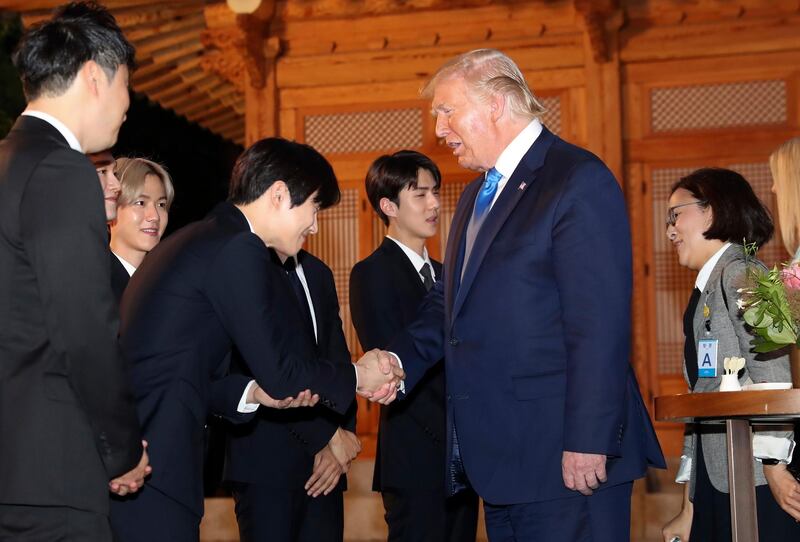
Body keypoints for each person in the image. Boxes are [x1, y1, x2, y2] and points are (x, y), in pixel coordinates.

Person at [386, 49, 665, 542]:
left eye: (447, 111)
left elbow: (597, 324)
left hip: (567, 458)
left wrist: (588, 439)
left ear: (495, 103)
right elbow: (451, 303)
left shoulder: (576, 179)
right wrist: (396, 359)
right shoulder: (476, 195)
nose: (439, 129)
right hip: (502, 462)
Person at [110, 137, 403, 541]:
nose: (314, 226)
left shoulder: (206, 238)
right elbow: (282, 371)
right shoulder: (238, 247)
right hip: (148, 460)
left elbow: (194, 371)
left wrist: (253, 393)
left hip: (155, 457)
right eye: (314, 208)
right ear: (279, 195)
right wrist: (359, 376)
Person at [0, 2, 148, 539]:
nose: (128, 105)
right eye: (126, 85)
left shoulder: (8, 162)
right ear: (94, 77)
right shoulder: (61, 170)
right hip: (53, 472)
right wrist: (122, 449)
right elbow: (84, 331)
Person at [660, 167, 800, 541]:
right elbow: (703, 398)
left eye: (676, 214)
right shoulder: (707, 289)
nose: (670, 230)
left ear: (713, 210)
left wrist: (773, 464)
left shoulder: (742, 275)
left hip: (754, 476)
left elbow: (772, 373)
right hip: (719, 476)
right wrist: (690, 505)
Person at [350, 150, 479, 541]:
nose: (435, 204)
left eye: (435, 192)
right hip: (415, 452)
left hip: (464, 455)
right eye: (420, 194)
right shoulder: (371, 273)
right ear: (388, 205)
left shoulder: (448, 274)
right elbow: (392, 364)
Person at [213, 246, 359, 542]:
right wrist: (328, 436)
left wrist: (344, 434)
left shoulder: (318, 272)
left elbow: (338, 362)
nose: (314, 223)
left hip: (327, 468)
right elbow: (261, 368)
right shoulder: (246, 273)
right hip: (267, 463)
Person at [108, 157, 174, 299]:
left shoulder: (170, 284)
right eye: (140, 202)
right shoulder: (93, 282)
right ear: (111, 208)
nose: (155, 216)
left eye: (161, 205)